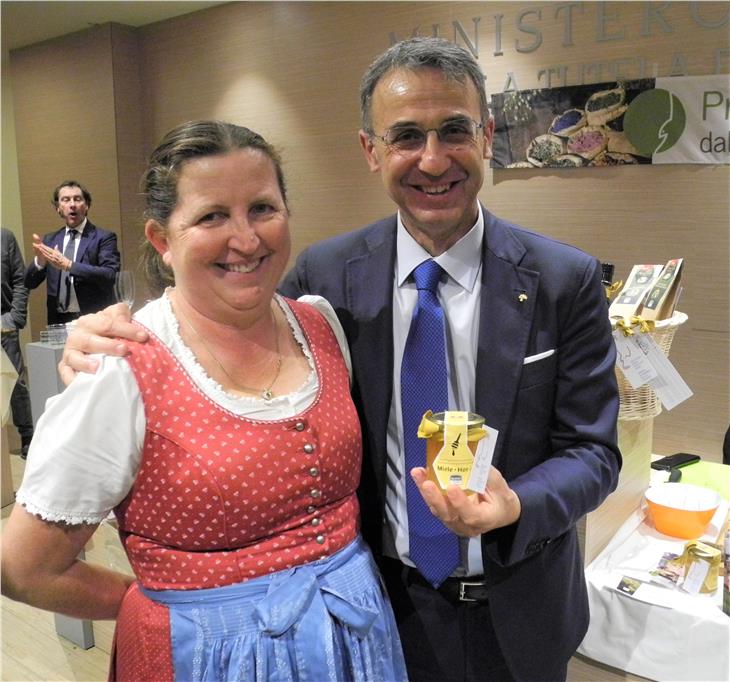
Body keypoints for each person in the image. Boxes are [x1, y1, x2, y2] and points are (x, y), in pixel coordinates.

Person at [59, 38, 621, 682]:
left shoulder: (561, 278)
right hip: (376, 614)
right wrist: (110, 333)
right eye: (406, 135)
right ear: (370, 150)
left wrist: (515, 503)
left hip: (523, 611)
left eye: (455, 131)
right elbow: (223, 311)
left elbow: (595, 453)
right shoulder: (326, 279)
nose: (432, 159)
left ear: (488, 136)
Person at [2, 121, 406, 682]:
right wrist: (158, 606)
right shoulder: (121, 368)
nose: (245, 238)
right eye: (212, 216)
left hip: (355, 637)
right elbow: (24, 568)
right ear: (162, 240)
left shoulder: (320, 323)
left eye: (263, 208)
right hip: (207, 657)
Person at [24, 180, 120, 325]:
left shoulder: (103, 237)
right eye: (66, 200)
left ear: (86, 205)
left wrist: (69, 265)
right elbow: (29, 283)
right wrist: (40, 262)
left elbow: (110, 275)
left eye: (77, 199)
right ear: (58, 208)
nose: (72, 204)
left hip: (94, 318)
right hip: (58, 321)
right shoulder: (51, 239)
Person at [1, 228, 34, 458]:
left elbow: (20, 280)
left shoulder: (5, 237)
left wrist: (14, 318)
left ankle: (28, 436)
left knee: (15, 383)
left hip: (3, 321)